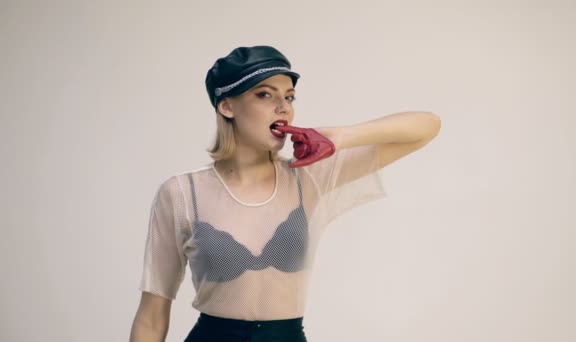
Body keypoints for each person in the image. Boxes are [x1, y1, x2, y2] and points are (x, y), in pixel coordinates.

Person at [129, 45, 441, 342]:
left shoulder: (308, 177)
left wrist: (341, 136)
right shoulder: (183, 192)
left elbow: (427, 126)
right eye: (265, 94)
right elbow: (152, 316)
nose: (283, 107)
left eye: (289, 97)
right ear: (226, 106)